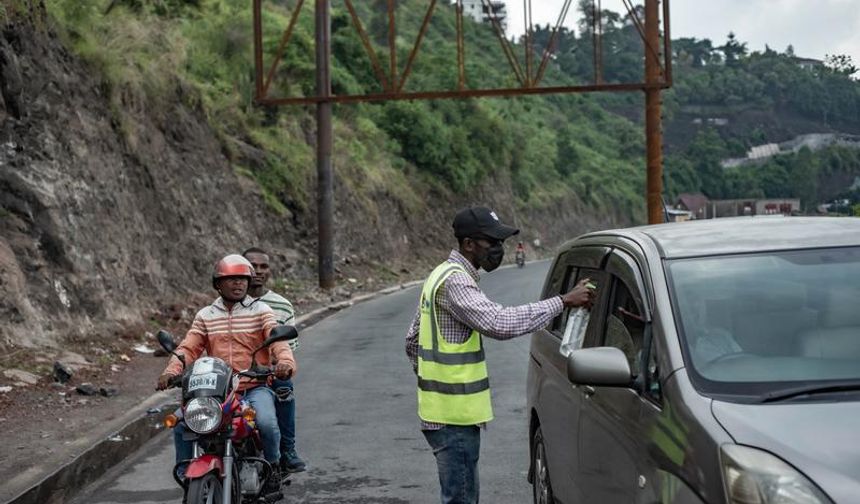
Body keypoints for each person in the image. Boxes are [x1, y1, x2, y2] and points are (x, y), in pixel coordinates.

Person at [405, 206, 595, 504]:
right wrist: (562, 302)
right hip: (454, 417)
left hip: (441, 413)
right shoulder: (456, 281)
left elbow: (412, 341)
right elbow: (498, 323)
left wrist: (434, 381)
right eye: (491, 243)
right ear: (469, 244)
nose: (498, 249)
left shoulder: (438, 275)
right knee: (462, 499)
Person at [156, 254, 296, 492]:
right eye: (231, 279)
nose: (238, 283)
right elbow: (189, 347)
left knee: (267, 422)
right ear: (218, 284)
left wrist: (284, 361)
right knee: (182, 423)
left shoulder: (261, 310)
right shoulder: (206, 315)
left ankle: (273, 468)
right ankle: (186, 473)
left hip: (253, 387)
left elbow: (277, 341)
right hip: (217, 391)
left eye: (242, 279)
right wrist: (171, 370)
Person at [243, 247, 307, 473]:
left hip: (268, 372)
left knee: (284, 390)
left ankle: (288, 449)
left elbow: (287, 349)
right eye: (253, 266)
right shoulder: (228, 304)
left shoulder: (281, 304)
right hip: (235, 374)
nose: (258, 271)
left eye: (264, 266)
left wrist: (279, 365)